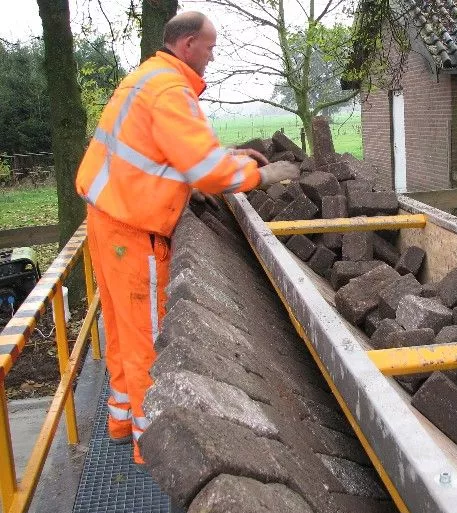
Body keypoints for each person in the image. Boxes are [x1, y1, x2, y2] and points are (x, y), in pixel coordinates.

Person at [75, 11, 298, 466]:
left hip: (109, 218)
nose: (213, 57)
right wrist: (261, 173)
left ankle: (120, 421)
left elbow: (173, 152)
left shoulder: (149, 78)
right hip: (135, 228)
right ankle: (151, 447)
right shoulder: (171, 91)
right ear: (188, 44)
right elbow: (206, 173)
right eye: (211, 48)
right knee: (148, 340)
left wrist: (227, 153)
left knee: (119, 328)